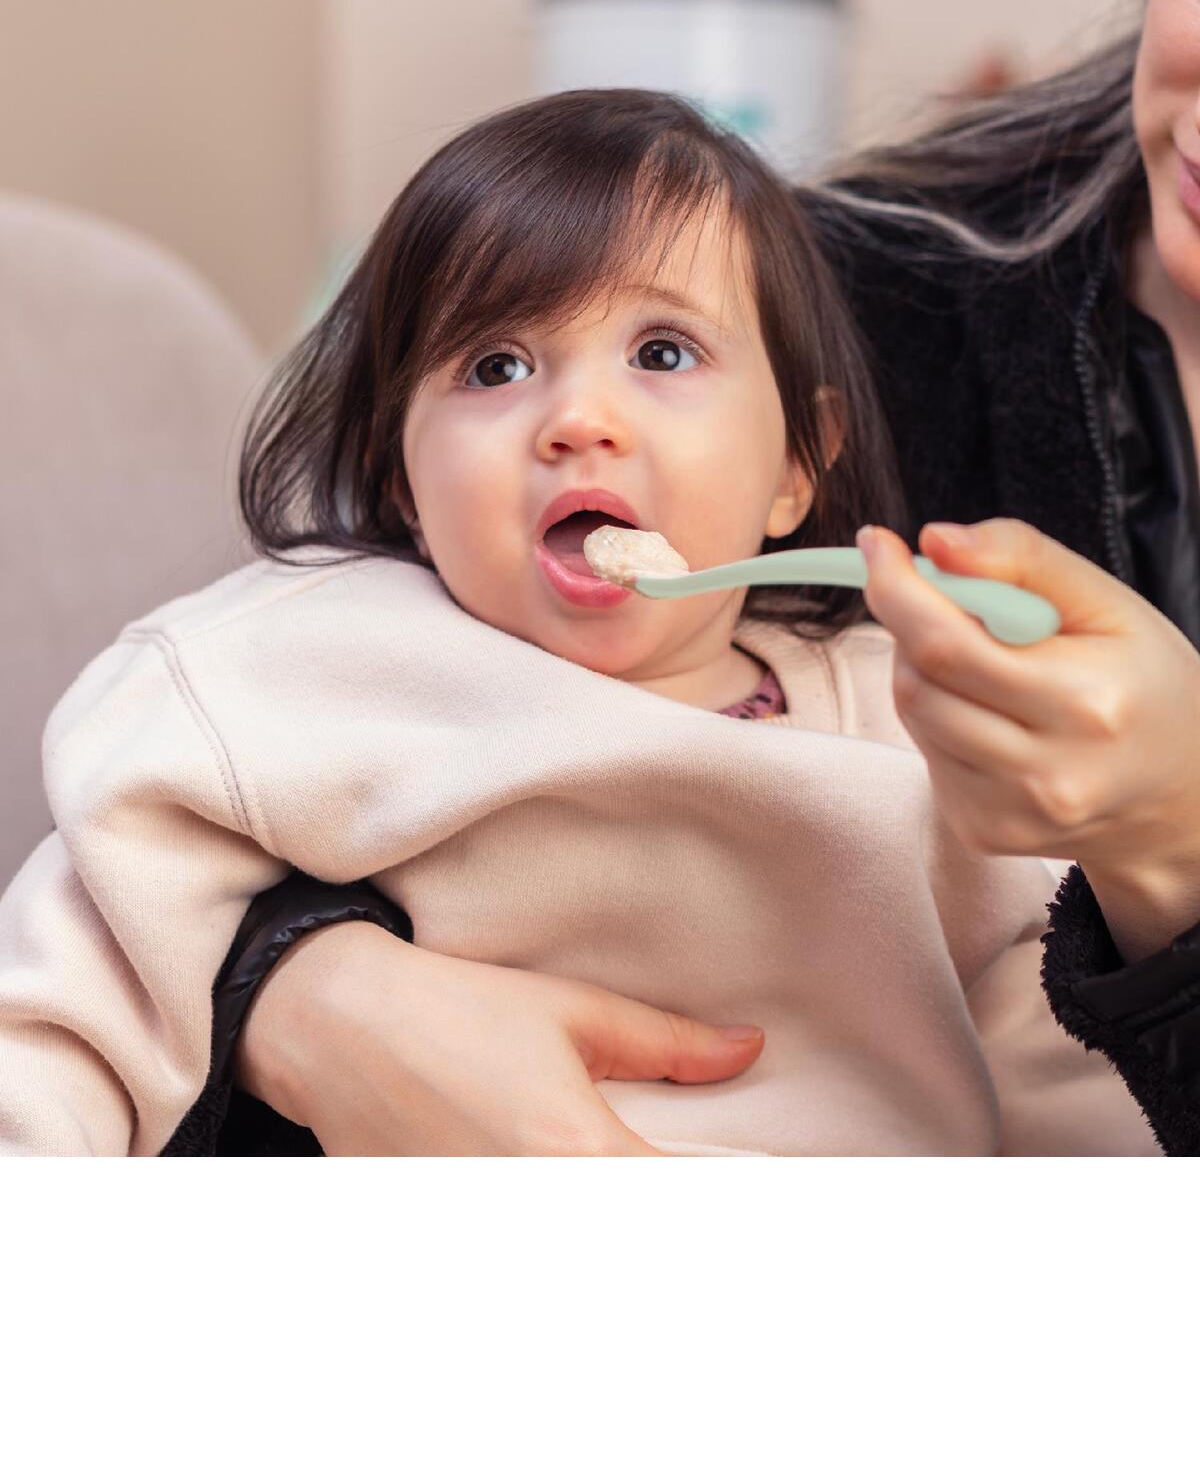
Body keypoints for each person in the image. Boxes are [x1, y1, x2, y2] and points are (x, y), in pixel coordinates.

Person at [0, 84, 1163, 1156]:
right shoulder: (287, 674)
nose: (578, 419)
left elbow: (1076, 1085)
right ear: (402, 476)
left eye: (662, 352)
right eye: (497, 366)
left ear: (795, 471)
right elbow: (66, 1012)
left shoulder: (915, 731)